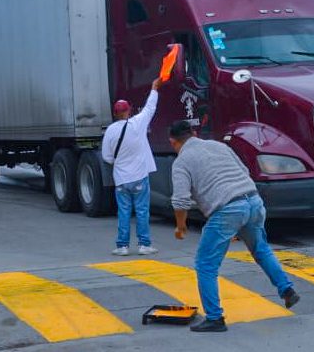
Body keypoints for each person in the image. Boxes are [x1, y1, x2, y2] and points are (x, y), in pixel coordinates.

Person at [169, 120, 300, 332]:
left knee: (205, 264)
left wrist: (181, 225)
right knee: (261, 249)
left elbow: (180, 200)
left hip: (227, 210)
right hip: (253, 201)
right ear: (194, 133)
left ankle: (214, 318)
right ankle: (287, 290)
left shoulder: (182, 161)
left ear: (173, 142)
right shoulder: (219, 146)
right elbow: (244, 170)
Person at [101, 77, 164, 256]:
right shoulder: (138, 123)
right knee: (142, 211)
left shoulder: (110, 131)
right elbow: (150, 107)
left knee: (124, 212)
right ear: (128, 110)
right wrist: (154, 88)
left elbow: (106, 157)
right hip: (139, 177)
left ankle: (122, 246)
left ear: (115, 113)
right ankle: (144, 245)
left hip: (121, 179)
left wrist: (120, 162)